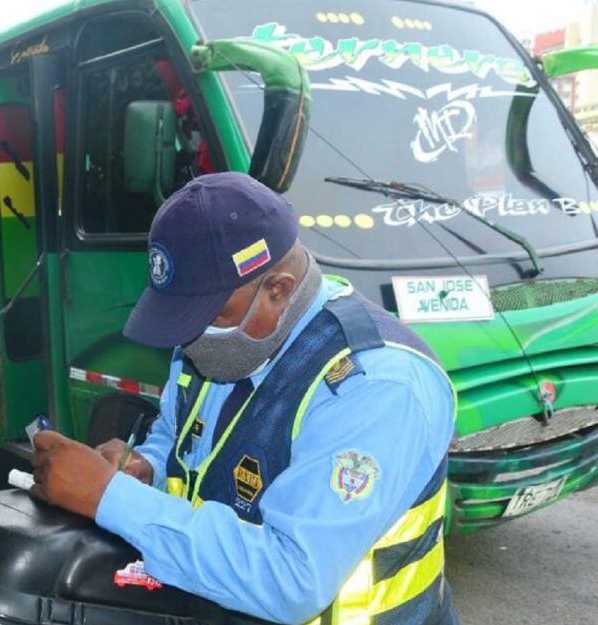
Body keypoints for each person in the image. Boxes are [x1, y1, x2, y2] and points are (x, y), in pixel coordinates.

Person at [30, 173, 457, 625]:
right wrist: (146, 466)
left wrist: (109, 497)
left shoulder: (375, 387)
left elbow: (293, 579)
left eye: (206, 316)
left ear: (278, 290)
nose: (189, 340)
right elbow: (178, 435)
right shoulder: (223, 337)